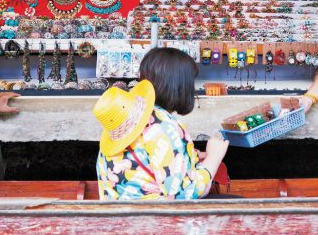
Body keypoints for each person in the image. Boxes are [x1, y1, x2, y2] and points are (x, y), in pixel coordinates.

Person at [94, 47, 229, 200]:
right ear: (180, 86)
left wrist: (192, 155)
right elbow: (184, 195)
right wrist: (214, 157)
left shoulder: (122, 124)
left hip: (119, 221)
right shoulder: (164, 125)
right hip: (154, 221)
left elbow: (145, 157)